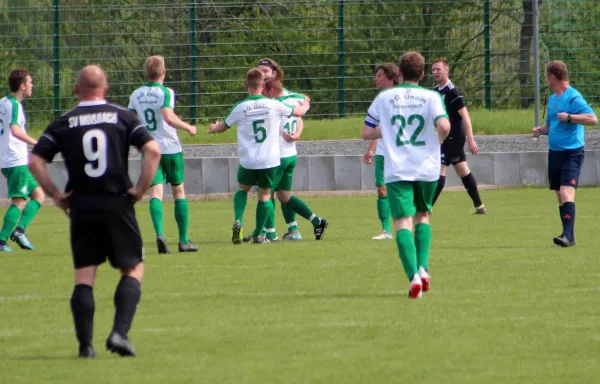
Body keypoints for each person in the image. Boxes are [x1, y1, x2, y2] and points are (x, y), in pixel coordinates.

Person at [29, 65, 161, 358]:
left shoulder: (64, 122)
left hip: (81, 205)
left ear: (77, 90)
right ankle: (119, 333)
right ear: (107, 89)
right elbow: (153, 151)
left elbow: (35, 161)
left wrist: (56, 195)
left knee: (84, 276)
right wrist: (140, 189)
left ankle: (85, 347)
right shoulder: (124, 117)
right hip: (117, 202)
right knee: (133, 268)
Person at [362, 52, 450, 299]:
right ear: (422, 74)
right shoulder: (432, 96)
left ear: (399, 73)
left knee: (402, 222)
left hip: (397, 168)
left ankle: (413, 277)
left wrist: (388, 129)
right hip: (427, 167)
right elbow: (444, 126)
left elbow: (366, 132)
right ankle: (423, 269)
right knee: (423, 215)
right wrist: (437, 142)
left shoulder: (385, 97)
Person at [208, 68, 310, 244]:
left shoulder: (240, 107)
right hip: (269, 160)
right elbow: (298, 113)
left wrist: (212, 128)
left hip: (248, 160)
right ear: (263, 86)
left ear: (246, 85)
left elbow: (223, 126)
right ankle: (258, 234)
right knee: (264, 196)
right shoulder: (274, 105)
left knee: (242, 189)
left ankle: (238, 221)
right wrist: (306, 103)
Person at [128, 55, 198, 254]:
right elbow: (168, 117)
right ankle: (183, 241)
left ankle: (160, 234)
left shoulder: (136, 94)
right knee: (178, 191)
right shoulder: (166, 92)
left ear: (146, 72)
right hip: (170, 148)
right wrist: (188, 127)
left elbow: (130, 119)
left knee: (155, 193)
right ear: (164, 72)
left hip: (150, 148)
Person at [532, 60, 597, 247]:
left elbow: (593, 119)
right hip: (555, 153)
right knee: (560, 195)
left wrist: (570, 117)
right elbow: (551, 125)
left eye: (546, 76)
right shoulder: (552, 99)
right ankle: (568, 235)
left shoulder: (573, 97)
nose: (545, 80)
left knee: (566, 192)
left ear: (553, 77)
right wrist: (540, 130)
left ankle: (567, 237)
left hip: (572, 153)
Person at [261, 77, 327, 241]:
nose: (261, 93)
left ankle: (269, 234)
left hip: (278, 157)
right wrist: (305, 105)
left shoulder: (275, 104)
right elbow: (305, 102)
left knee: (266, 194)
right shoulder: (293, 98)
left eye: (264, 90)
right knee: (284, 195)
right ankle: (317, 222)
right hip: (291, 155)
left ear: (272, 90)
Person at [430, 58, 486, 214]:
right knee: (462, 170)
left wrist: (471, 139)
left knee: (439, 168)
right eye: (433, 69)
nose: (435, 72)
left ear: (446, 70)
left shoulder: (453, 92)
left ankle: (427, 207)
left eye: (438, 69)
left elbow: (465, 117)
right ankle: (479, 206)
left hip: (453, 137)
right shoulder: (435, 91)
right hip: (445, 136)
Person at [0, 69, 45, 252]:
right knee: (18, 201)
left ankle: (19, 230)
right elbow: (15, 130)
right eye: (30, 82)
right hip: (15, 159)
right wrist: (37, 143)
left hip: (8, 158)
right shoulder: (15, 106)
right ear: (22, 86)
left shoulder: (3, 102)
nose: (32, 85)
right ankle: (2, 241)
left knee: (39, 196)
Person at [363, 64, 400, 240]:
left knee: (401, 189)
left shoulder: (402, 97)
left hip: (401, 153)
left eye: (379, 75)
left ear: (390, 77)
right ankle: (386, 230)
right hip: (383, 153)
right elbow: (375, 127)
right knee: (382, 188)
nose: (375, 79)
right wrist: (371, 149)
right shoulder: (380, 100)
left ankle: (410, 222)